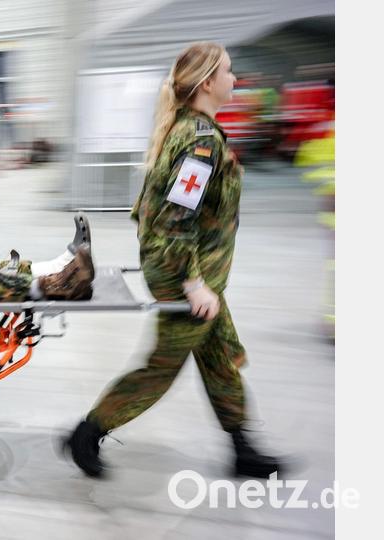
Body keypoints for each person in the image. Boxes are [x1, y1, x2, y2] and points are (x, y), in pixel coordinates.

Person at [64, 43, 285, 479]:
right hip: (185, 275)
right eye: (228, 71)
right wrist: (192, 282)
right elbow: (173, 219)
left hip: (196, 275)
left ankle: (243, 448)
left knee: (219, 356)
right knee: (163, 366)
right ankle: (88, 432)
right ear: (206, 83)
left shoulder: (190, 129)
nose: (235, 79)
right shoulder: (200, 142)